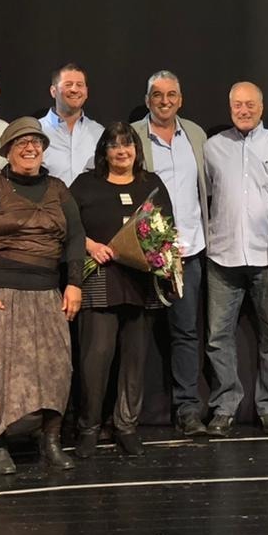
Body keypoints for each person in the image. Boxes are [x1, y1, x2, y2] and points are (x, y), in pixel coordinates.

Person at [0, 117, 84, 474]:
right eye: (21, 143)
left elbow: (76, 237)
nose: (30, 148)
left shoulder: (58, 189)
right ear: (8, 151)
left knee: (56, 367)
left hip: (45, 290)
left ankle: (51, 440)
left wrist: (74, 283)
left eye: (36, 143)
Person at [201, 81, 268, 436]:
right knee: (217, 337)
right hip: (222, 256)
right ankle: (225, 407)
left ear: (262, 107)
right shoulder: (212, 147)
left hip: (267, 256)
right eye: (238, 105)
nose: (244, 110)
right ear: (230, 108)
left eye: (250, 104)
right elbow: (206, 195)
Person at [72, 122, 171, 458]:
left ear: (137, 150)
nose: (121, 151)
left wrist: (162, 252)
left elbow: (165, 227)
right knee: (95, 359)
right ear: (104, 151)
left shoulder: (151, 184)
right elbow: (68, 226)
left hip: (140, 283)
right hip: (99, 279)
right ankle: (89, 427)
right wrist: (89, 245)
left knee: (134, 361)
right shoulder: (85, 184)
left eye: (127, 145)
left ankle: (126, 426)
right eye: (114, 145)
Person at [131, 71, 210, 436]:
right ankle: (124, 415)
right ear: (147, 99)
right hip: (141, 255)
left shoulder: (195, 134)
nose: (164, 101)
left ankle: (187, 409)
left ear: (181, 99)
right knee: (133, 335)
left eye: (171, 95)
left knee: (186, 333)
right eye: (157, 95)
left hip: (188, 253)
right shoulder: (132, 135)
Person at [41, 64, 104, 187]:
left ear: (86, 92)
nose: (74, 90)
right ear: (53, 91)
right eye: (68, 84)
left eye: (79, 85)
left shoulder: (99, 132)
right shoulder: (37, 130)